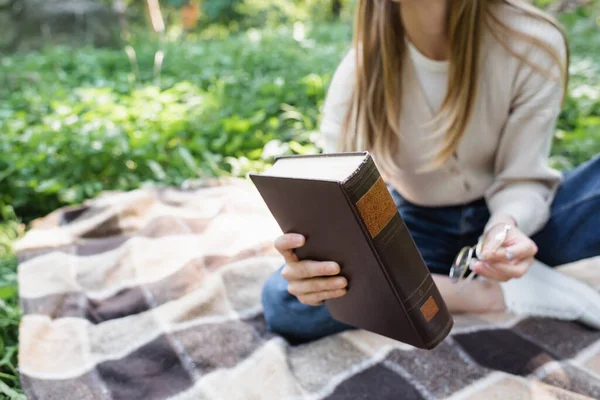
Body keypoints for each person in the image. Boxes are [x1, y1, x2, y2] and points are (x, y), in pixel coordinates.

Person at [261, 0, 600, 343]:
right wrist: (319, 266)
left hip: (520, 224)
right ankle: (484, 294)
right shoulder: (358, 76)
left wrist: (505, 228)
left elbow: (523, 177)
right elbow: (338, 215)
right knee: (287, 302)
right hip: (418, 229)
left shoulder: (531, 42)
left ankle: (453, 281)